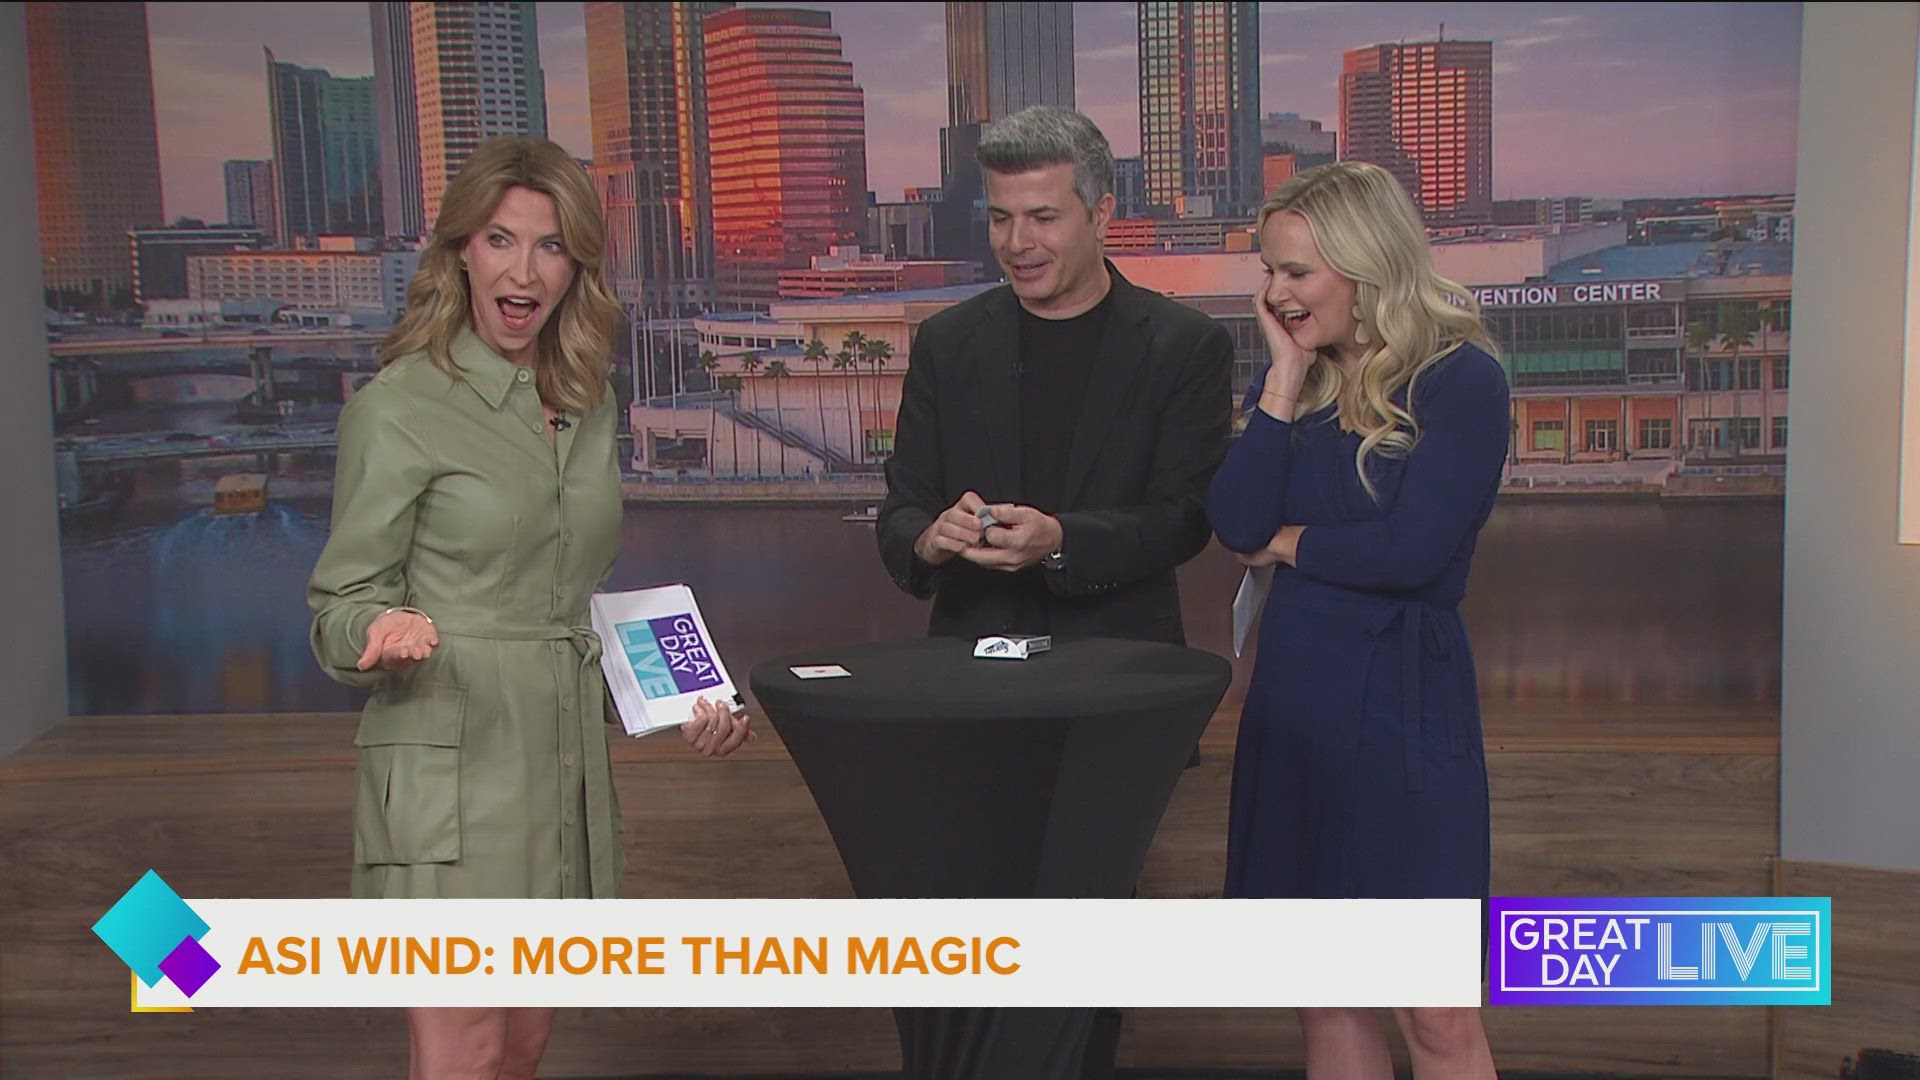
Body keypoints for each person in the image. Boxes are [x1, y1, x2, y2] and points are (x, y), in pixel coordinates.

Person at [307, 135, 750, 1080]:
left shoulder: (588, 401)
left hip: (559, 766)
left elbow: (565, 607)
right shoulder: (398, 407)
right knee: (465, 1046)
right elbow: (340, 600)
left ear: (575, 266)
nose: (524, 270)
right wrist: (377, 630)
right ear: (461, 251)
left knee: (519, 1046)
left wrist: (680, 701)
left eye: (550, 246)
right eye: (501, 239)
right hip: (449, 766)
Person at [876, 106, 1233, 1079]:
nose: (1017, 242)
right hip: (968, 692)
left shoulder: (1182, 345)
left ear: (1101, 212)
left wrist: (1062, 541)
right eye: (1000, 218)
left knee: (1086, 950)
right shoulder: (950, 343)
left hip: (1114, 695)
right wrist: (931, 537)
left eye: (1042, 217)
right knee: (969, 947)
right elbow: (901, 512)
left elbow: (1183, 519)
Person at [1207, 160, 1508, 1078]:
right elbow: (1236, 523)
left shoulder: (1460, 381)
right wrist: (1283, 377)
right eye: (1269, 271)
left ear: (1367, 265)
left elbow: (1413, 554)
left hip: (1405, 709)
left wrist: (1292, 542)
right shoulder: (1293, 388)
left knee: (1435, 1012)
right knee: (1328, 991)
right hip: (1296, 703)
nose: (1276, 293)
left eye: (1297, 272)